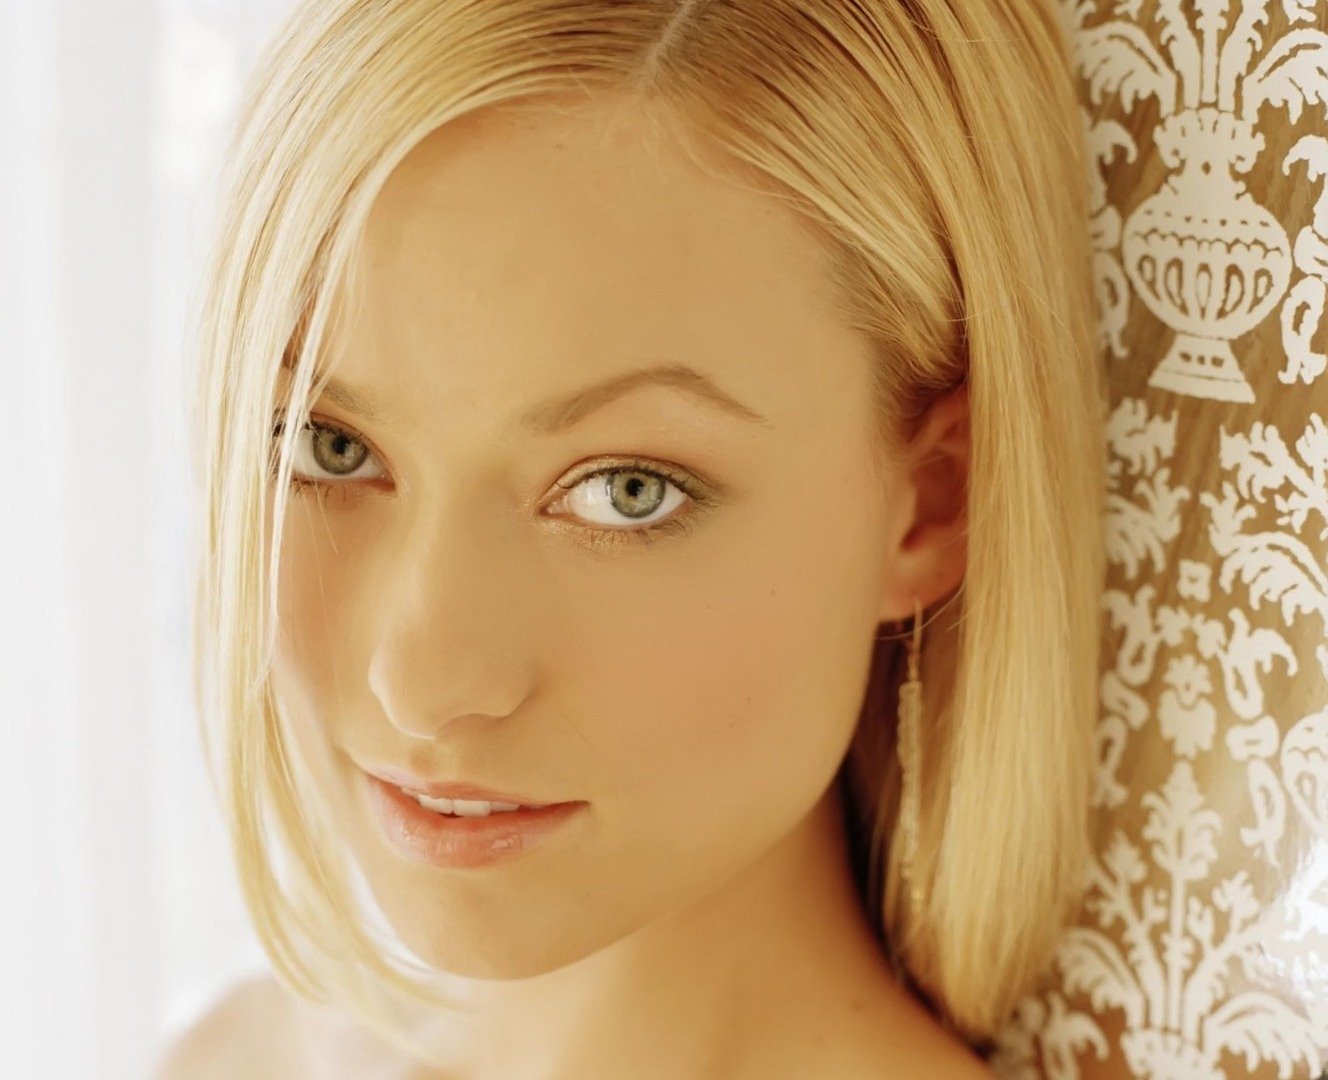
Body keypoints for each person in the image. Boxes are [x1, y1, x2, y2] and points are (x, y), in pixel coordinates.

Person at [160, 0, 1106, 1076]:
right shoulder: (237, 1057)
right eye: (330, 448)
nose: (421, 687)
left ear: (931, 506)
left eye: (626, 491)